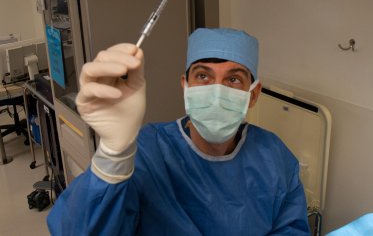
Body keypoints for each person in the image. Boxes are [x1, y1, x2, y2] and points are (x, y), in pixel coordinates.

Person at [47, 28, 310, 235]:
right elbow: (76, 231)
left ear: (253, 95)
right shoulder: (147, 154)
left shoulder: (275, 158)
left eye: (233, 79)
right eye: (203, 76)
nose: (217, 91)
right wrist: (113, 153)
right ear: (186, 86)